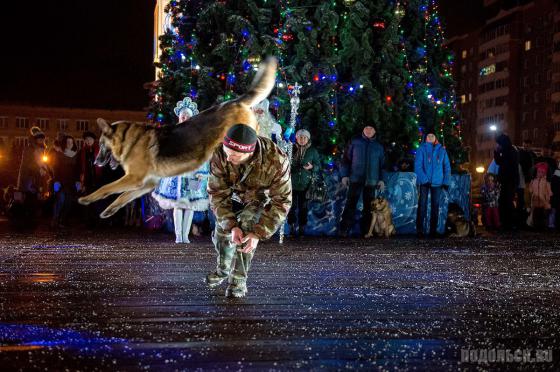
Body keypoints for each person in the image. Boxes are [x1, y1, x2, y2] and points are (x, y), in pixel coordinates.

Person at [205, 124, 291, 298]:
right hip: (232, 195)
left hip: (259, 198)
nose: (229, 159)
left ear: (249, 153)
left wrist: (258, 234)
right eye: (227, 153)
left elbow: (282, 201)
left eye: (235, 156)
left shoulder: (276, 161)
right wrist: (230, 225)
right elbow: (217, 194)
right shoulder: (221, 154)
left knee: (246, 227)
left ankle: (238, 280)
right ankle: (223, 269)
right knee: (223, 234)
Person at [152, 97, 210, 243]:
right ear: (179, 116)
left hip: (193, 173)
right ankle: (179, 235)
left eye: (188, 115)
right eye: (183, 115)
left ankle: (186, 234)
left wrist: (201, 172)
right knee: (178, 204)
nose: (185, 117)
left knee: (190, 205)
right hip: (176, 174)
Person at [339, 125, 386, 237]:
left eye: (371, 129)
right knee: (350, 204)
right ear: (363, 130)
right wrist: (344, 176)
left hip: (371, 181)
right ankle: (344, 229)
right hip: (355, 179)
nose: (368, 130)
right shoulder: (355, 143)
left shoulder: (378, 147)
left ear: (375, 131)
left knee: (369, 207)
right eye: (366, 128)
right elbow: (345, 159)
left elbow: (383, 165)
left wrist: (381, 180)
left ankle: (367, 231)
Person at [414, 131, 451, 238]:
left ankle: (433, 231)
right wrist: (424, 179)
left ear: (436, 137)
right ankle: (420, 230)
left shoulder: (442, 150)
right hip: (425, 182)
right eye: (429, 136)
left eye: (432, 135)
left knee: (435, 206)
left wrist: (446, 181)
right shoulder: (421, 149)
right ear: (426, 138)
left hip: (437, 183)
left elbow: (447, 167)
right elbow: (418, 166)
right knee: (422, 206)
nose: (430, 137)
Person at [287, 129, 321, 237]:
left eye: (304, 137)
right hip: (292, 183)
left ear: (308, 139)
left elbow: (318, 165)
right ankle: (292, 227)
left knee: (303, 207)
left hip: (306, 184)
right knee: (291, 207)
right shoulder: (290, 149)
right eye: (300, 137)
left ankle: (302, 228)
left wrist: (312, 167)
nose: (302, 139)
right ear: (296, 138)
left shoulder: (312, 151)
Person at [51, 135, 79, 228]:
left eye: (71, 142)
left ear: (73, 143)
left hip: (71, 182)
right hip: (61, 181)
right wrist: (56, 181)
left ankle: (63, 220)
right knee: (60, 200)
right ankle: (55, 219)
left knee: (68, 202)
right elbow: (56, 168)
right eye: (67, 142)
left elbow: (77, 169)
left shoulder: (76, 154)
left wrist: (78, 181)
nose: (69, 144)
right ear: (65, 143)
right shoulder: (60, 154)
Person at [494, 134, 519, 230]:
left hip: (509, 181)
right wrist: (496, 152)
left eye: (499, 144)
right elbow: (498, 162)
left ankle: (510, 223)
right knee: (503, 201)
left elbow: (505, 164)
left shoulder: (511, 151)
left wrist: (498, 152)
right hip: (505, 180)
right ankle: (505, 222)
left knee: (508, 201)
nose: (498, 145)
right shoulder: (506, 151)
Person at [79, 131, 103, 228]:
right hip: (88, 180)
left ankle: (98, 221)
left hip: (98, 179)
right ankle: (89, 222)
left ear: (94, 140)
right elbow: (81, 166)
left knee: (98, 201)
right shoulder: (83, 151)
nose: (88, 141)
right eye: (86, 140)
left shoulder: (99, 150)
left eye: (90, 139)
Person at [527, 162, 552, 230]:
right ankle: (535, 226)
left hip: (543, 201)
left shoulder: (546, 182)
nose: (541, 174)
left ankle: (543, 226)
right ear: (536, 172)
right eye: (539, 172)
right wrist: (531, 190)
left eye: (543, 172)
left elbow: (549, 191)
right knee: (535, 214)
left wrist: (548, 199)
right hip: (535, 200)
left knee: (542, 214)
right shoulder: (533, 181)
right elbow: (530, 189)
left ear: (546, 173)